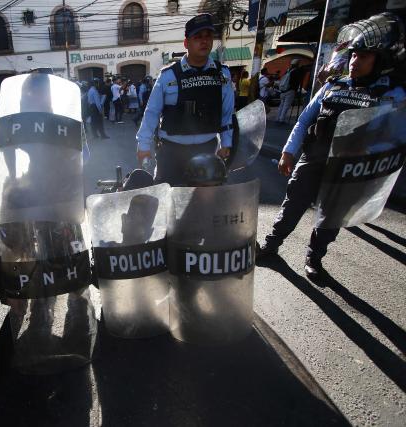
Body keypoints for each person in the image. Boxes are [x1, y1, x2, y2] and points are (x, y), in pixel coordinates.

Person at [257, 12, 406, 280]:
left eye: (363, 56)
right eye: (353, 55)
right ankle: (271, 244)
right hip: (313, 157)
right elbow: (304, 120)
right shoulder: (332, 87)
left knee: (332, 216)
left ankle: (314, 257)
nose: (354, 62)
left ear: (380, 61)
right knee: (292, 205)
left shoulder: (390, 95)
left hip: (347, 166)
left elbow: (395, 136)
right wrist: (288, 151)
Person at [136, 13, 234, 186]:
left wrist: (226, 142)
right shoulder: (168, 76)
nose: (204, 41)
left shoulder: (222, 74)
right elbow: (151, 112)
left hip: (207, 150)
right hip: (171, 152)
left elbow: (226, 113)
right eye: (197, 37)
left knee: (204, 206)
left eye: (208, 36)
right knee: (168, 203)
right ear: (186, 43)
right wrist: (143, 146)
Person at [276, 59, 303, 123]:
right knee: (286, 106)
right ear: (297, 64)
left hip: (283, 91)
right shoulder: (295, 72)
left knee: (281, 105)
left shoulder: (287, 71)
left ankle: (278, 118)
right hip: (290, 91)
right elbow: (295, 83)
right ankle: (282, 119)